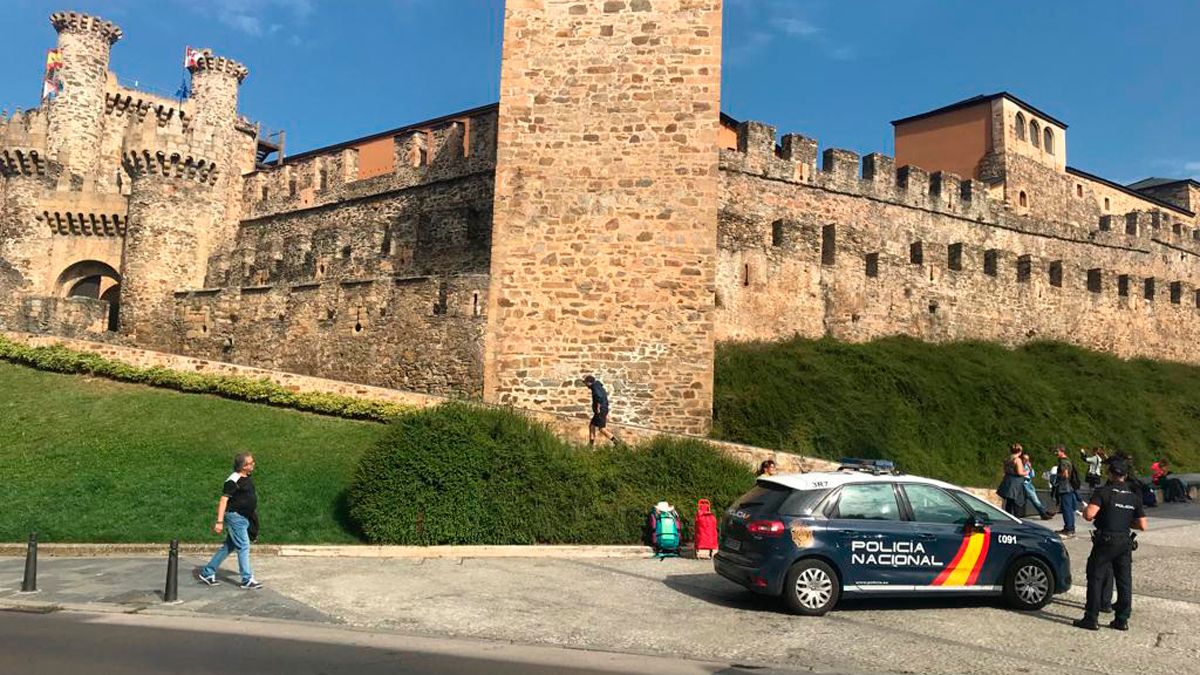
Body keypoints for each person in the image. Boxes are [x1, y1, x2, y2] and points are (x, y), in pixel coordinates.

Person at [1073, 457, 1147, 631]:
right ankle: (1121, 619)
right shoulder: (1133, 496)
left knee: (1096, 576)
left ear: (1110, 473)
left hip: (1106, 540)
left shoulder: (1103, 492)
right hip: (1125, 540)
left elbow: (1090, 514)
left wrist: (1085, 510)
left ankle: (1091, 618)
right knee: (1124, 580)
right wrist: (1125, 521)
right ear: (1126, 475)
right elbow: (1142, 525)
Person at [197, 452, 263, 590]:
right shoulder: (233, 480)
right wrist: (219, 522)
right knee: (244, 546)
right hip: (235, 517)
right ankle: (246, 579)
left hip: (244, 517)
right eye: (250, 463)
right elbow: (223, 500)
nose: (253, 464)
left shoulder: (247, 477)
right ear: (243, 466)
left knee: (228, 546)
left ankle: (207, 573)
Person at [582, 375, 620, 446]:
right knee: (592, 426)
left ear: (589, 382)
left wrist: (598, 408)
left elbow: (599, 397)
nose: (586, 385)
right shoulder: (598, 386)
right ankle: (590, 445)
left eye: (586, 383)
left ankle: (616, 442)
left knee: (602, 429)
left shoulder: (595, 387)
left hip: (600, 411)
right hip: (602, 410)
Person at [1054, 446, 1081, 538]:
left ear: (1062, 451)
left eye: (1057, 451)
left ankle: (1069, 529)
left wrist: (1056, 475)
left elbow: (1065, 475)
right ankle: (1070, 528)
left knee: (1066, 509)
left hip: (1065, 488)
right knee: (1069, 508)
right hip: (1070, 487)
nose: (1055, 453)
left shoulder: (1063, 462)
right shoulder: (1069, 460)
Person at [997, 443, 1028, 517]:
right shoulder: (1017, 460)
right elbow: (1020, 472)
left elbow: (1005, 470)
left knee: (1009, 502)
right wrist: (1026, 472)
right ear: (1020, 451)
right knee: (1016, 501)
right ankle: (1016, 517)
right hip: (1015, 482)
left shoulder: (1007, 459)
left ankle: (1008, 516)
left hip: (1007, 479)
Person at [1021, 452, 1054, 520]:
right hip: (1025, 484)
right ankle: (1043, 513)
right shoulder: (1019, 465)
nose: (1026, 461)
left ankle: (1044, 511)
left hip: (1029, 483)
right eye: (1025, 459)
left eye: (1028, 459)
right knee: (1034, 499)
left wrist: (1030, 468)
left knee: (1036, 499)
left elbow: (1032, 475)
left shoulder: (1027, 466)